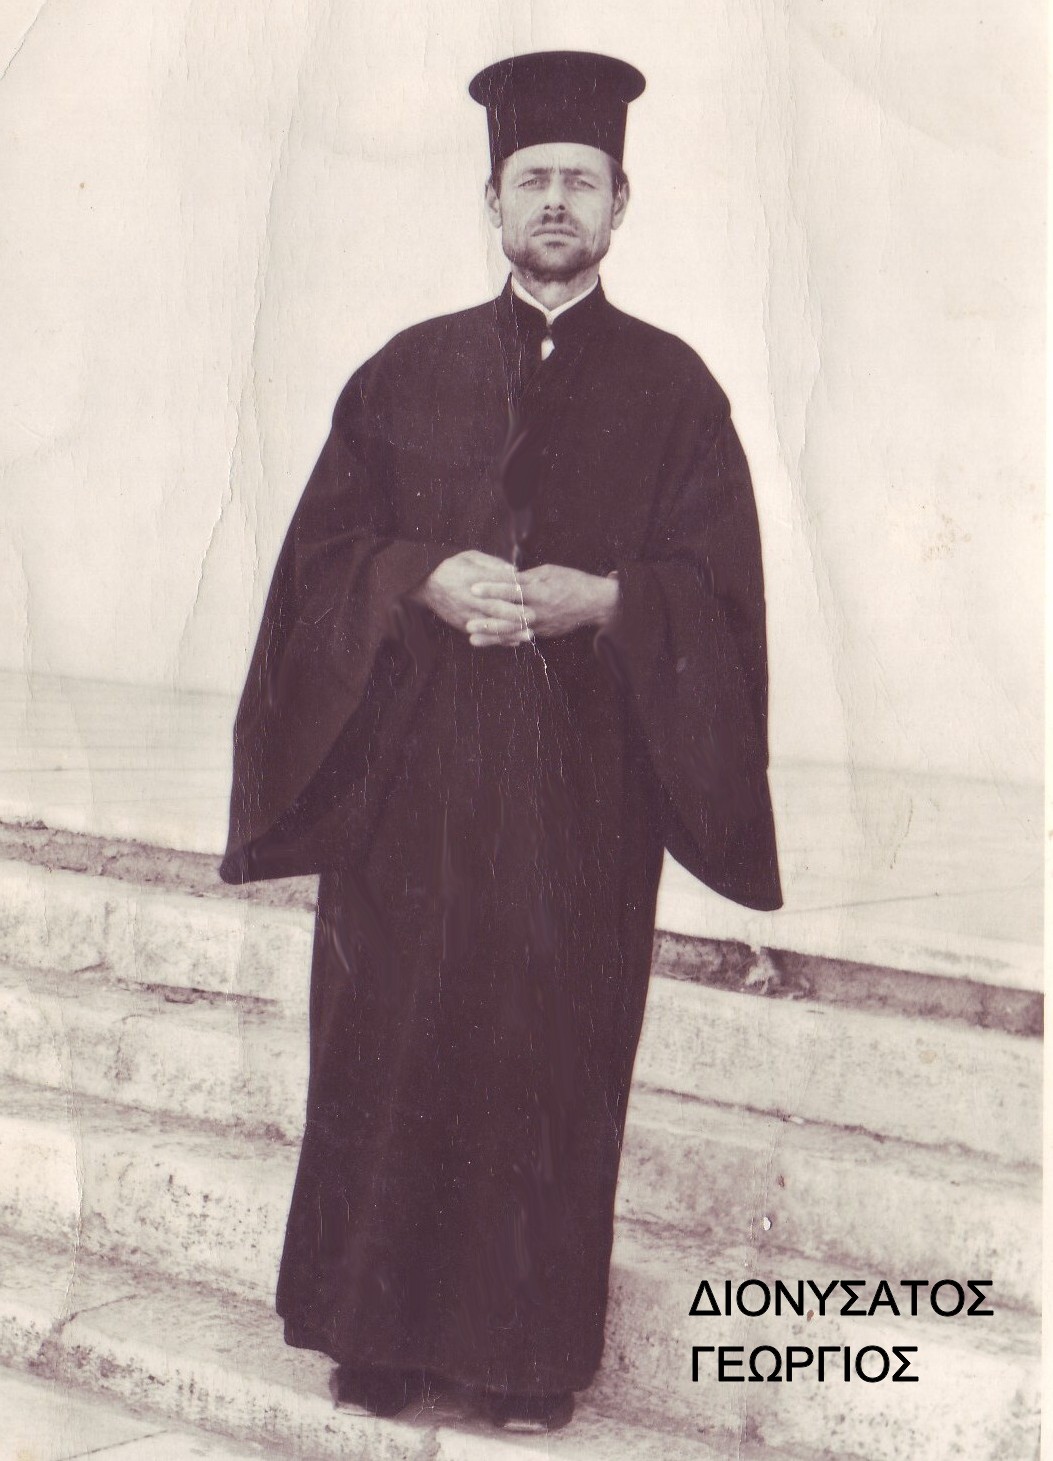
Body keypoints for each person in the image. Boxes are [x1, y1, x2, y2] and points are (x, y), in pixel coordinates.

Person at [220, 49, 781, 1433]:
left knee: (551, 1055)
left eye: (581, 180)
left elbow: (720, 594)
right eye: (533, 179)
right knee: (391, 1035)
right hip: (414, 783)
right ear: (492, 199)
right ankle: (374, 1337)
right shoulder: (403, 372)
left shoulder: (676, 391)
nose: (555, 201)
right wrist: (415, 574)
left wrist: (615, 600)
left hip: (582, 792)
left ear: (620, 202)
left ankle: (523, 1363)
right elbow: (318, 567)